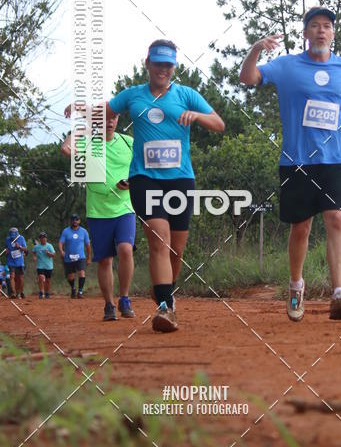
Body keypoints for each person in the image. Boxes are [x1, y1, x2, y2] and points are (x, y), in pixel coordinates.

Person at [240, 6, 341, 322]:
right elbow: (248, 78)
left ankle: (338, 294)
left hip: (335, 158)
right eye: (315, 25)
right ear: (305, 33)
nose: (321, 30)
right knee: (301, 228)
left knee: (336, 219)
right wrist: (256, 49)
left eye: (326, 26)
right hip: (297, 160)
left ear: (333, 33)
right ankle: (296, 286)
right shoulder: (287, 66)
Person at [106, 40, 225, 333]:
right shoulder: (132, 95)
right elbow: (104, 113)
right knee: (159, 239)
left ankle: (163, 289)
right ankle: (165, 307)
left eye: (168, 65)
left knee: (176, 249)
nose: (163, 69)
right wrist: (79, 116)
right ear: (147, 63)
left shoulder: (186, 95)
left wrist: (197, 115)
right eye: (158, 63)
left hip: (180, 179)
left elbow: (218, 123)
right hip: (144, 179)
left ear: (174, 67)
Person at [61, 107, 136, 321]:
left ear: (118, 118)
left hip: (124, 207)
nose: (110, 121)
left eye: (113, 117)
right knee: (104, 260)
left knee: (125, 249)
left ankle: (124, 298)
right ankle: (109, 305)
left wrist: (131, 183)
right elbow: (66, 149)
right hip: (98, 211)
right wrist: (82, 127)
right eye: (105, 118)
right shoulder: (88, 143)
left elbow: (143, 169)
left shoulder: (128, 142)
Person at [58, 215, 91, 297]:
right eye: (73, 219)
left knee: (82, 273)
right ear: (70, 221)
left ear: (79, 221)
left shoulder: (84, 231)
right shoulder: (66, 231)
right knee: (70, 277)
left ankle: (80, 292)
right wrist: (61, 251)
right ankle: (73, 288)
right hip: (69, 257)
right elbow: (61, 242)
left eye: (76, 219)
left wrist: (89, 257)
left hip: (80, 257)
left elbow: (88, 245)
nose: (75, 221)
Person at [5, 226, 28, 299]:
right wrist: (6, 251)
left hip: (19, 262)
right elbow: (6, 248)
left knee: (20, 278)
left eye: (14, 237)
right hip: (11, 261)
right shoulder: (7, 240)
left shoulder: (21, 238)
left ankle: (20, 292)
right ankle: (13, 293)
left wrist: (20, 247)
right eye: (12, 237)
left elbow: (25, 249)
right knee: (12, 276)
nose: (13, 238)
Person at [32, 232, 56, 298]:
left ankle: (47, 292)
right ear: (40, 239)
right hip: (40, 265)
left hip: (48, 266)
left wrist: (49, 253)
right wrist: (34, 257)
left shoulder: (49, 246)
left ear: (46, 238)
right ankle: (41, 292)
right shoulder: (36, 247)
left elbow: (53, 254)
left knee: (48, 280)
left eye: (44, 238)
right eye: (42, 238)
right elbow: (33, 252)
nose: (43, 239)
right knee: (41, 277)